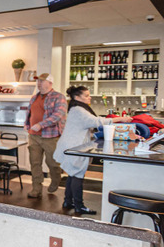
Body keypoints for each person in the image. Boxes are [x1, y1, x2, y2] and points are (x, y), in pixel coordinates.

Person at [54, 86, 132, 214]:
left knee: (72, 174)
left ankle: (68, 202)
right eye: (86, 95)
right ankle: (79, 206)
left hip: (71, 145)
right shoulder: (79, 110)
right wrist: (120, 119)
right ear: (77, 97)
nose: (89, 97)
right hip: (75, 146)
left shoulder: (76, 108)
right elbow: (96, 121)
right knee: (77, 175)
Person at [25, 73, 67, 198]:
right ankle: (36, 188)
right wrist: (27, 125)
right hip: (34, 136)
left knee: (52, 162)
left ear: (50, 83)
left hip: (51, 136)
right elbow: (29, 113)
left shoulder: (59, 97)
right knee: (35, 163)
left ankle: (55, 180)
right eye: (38, 81)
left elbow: (58, 115)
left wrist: (41, 125)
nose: (39, 84)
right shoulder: (34, 97)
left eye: (42, 81)